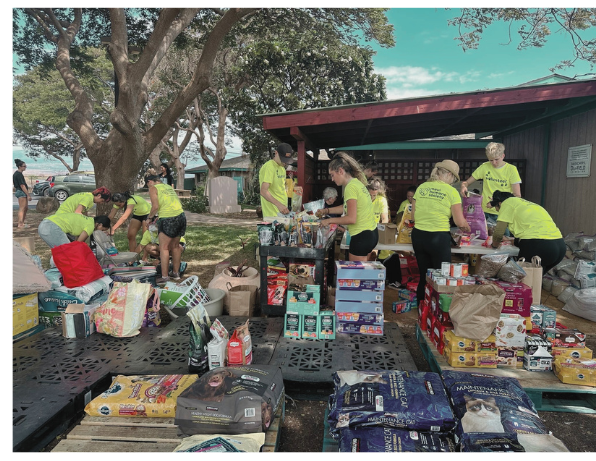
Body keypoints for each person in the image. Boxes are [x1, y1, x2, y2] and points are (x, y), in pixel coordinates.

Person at [411, 160, 471, 305]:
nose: (453, 182)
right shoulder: (451, 192)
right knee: (443, 279)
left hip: (418, 235)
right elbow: (459, 222)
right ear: (449, 174)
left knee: (424, 276)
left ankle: (422, 312)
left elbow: (413, 216)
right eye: (454, 179)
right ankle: (438, 313)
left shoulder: (421, 187)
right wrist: (468, 228)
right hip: (439, 237)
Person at [316, 152, 378, 261]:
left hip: (361, 236)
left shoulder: (350, 187)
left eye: (332, 175)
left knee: (356, 276)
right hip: (371, 233)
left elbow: (351, 218)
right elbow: (346, 207)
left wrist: (329, 221)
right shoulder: (357, 183)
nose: (332, 179)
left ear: (340, 171)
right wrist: (326, 211)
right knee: (363, 274)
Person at [489, 191, 566, 274]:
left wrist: (494, 246)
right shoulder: (528, 205)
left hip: (539, 247)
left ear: (500, 203)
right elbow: (533, 231)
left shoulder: (506, 203)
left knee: (522, 280)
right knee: (535, 280)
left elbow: (498, 232)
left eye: (497, 209)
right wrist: (511, 241)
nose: (498, 212)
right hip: (560, 247)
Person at [460, 142, 521, 230]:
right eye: (491, 160)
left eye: (496, 159)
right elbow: (466, 182)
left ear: (503, 156)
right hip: (483, 211)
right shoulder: (484, 167)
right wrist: (463, 186)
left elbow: (517, 195)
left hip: (503, 213)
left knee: (502, 239)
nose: (494, 163)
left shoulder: (511, 169)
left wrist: (495, 202)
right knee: (482, 240)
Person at [145, 174, 186, 284]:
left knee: (164, 248)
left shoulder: (153, 188)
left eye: (147, 185)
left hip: (168, 219)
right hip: (181, 216)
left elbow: (155, 207)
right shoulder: (168, 187)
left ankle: (164, 276)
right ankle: (176, 274)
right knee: (175, 246)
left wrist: (149, 219)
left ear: (150, 182)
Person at [259, 143, 302, 217]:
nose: (285, 162)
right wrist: (279, 205)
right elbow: (263, 191)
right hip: (272, 214)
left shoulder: (282, 168)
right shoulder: (269, 167)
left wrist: (293, 189)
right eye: (283, 159)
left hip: (282, 213)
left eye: (286, 160)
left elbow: (281, 187)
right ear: (276, 153)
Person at [38, 213, 111, 248]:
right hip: (52, 227)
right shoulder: (90, 226)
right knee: (67, 251)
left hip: (45, 224)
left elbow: (76, 241)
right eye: (102, 230)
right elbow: (78, 244)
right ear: (100, 225)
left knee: (59, 251)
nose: (101, 232)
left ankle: (57, 270)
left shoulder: (88, 220)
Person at [368, 177, 390, 261]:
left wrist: (380, 232)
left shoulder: (381, 200)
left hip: (375, 230)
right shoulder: (363, 198)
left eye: (374, 195)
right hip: (363, 229)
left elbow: (385, 219)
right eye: (370, 195)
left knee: (372, 256)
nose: (372, 197)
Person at [14, 159, 32, 229]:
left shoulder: (19, 174)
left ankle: (22, 223)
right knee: (22, 208)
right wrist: (28, 195)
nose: (25, 167)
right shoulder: (18, 174)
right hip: (21, 192)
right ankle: (20, 224)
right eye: (24, 166)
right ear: (19, 166)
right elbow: (22, 185)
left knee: (25, 208)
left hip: (21, 191)